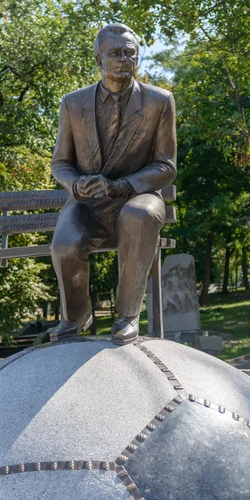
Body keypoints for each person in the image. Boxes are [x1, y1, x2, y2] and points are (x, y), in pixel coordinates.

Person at [50, 23, 176, 345]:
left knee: (140, 216)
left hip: (138, 196)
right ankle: (76, 317)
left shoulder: (159, 102)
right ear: (98, 60)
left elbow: (166, 166)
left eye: (129, 53)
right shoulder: (73, 104)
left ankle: (126, 316)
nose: (123, 59)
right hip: (87, 202)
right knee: (65, 244)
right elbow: (60, 163)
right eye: (115, 53)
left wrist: (122, 187)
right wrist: (77, 185)